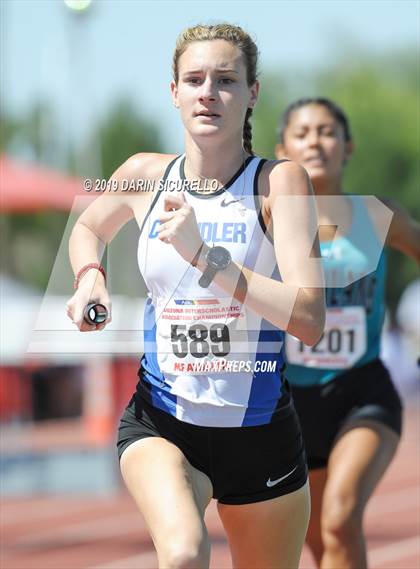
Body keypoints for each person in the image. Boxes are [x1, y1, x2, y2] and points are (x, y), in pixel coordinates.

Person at [66, 25, 326, 569]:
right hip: (163, 422)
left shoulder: (279, 183)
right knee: (183, 553)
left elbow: (308, 318)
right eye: (195, 79)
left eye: (227, 80)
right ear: (174, 92)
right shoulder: (144, 175)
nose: (209, 92)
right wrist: (90, 274)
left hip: (260, 434)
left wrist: (206, 256)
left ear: (252, 93)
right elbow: (88, 226)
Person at [275, 97, 420, 569]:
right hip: (290, 403)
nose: (315, 141)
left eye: (327, 131)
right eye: (302, 133)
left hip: (364, 392)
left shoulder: (379, 216)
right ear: (282, 151)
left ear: (348, 146)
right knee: (320, 540)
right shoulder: (265, 220)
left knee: (340, 517)